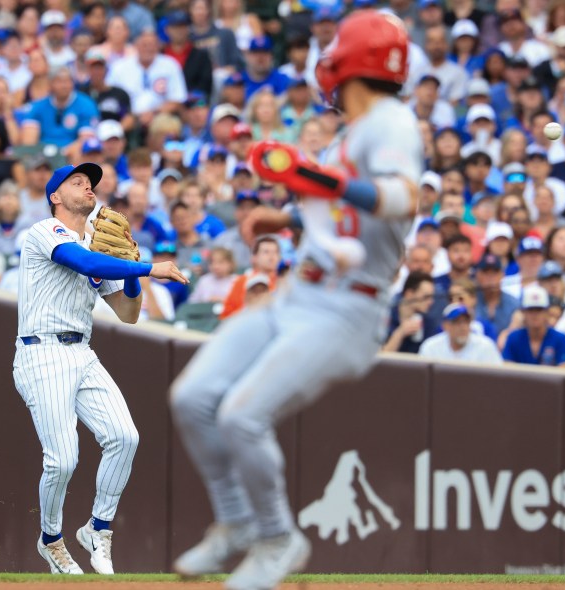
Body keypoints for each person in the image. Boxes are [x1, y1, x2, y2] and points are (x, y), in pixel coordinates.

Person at [169, 10, 421, 590]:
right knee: (194, 396)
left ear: (350, 62)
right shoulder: (353, 132)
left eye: (334, 53)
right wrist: (285, 213)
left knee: (242, 415)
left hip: (347, 308)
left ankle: (279, 539)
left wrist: (324, 180)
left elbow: (404, 198)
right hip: (301, 291)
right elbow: (337, 208)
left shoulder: (390, 122)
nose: (325, 64)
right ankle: (235, 524)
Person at [12, 162, 188, 576]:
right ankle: (51, 540)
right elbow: (86, 265)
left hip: (81, 351)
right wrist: (149, 268)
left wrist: (129, 267)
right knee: (62, 461)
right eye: (76, 182)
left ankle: (97, 528)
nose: (87, 187)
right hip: (41, 352)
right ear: (56, 196)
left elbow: (128, 313)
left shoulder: (98, 247)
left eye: (90, 183)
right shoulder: (44, 232)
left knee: (124, 437)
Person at [502, 284, 565, 366]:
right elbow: (507, 371)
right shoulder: (514, 338)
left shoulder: (561, 339)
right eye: (531, 310)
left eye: (539, 310)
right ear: (524, 313)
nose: (535, 314)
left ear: (547, 313)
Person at [220, 234, 281, 319]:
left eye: (275, 252)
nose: (272, 257)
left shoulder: (285, 282)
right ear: (254, 257)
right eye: (266, 252)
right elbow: (226, 314)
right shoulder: (243, 281)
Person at [419, 303, 503, 363]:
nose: (463, 327)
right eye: (457, 322)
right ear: (445, 326)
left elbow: (497, 379)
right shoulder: (431, 347)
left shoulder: (485, 346)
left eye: (466, 322)